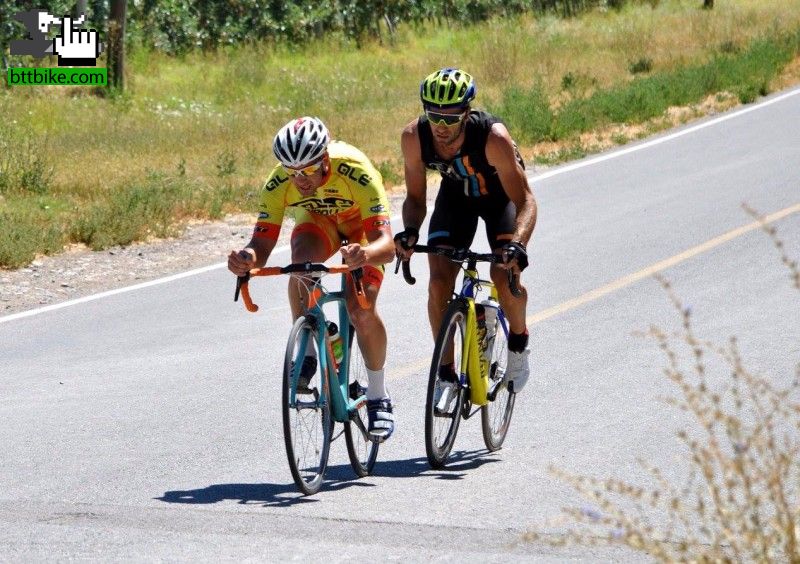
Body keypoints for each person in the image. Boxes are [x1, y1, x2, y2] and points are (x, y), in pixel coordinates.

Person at [228, 116, 396, 442]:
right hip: (320, 224)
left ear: (325, 159)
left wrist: (365, 254)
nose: (300, 179)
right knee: (302, 264)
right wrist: (247, 258)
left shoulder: (355, 170)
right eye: (292, 172)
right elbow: (262, 243)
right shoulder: (279, 182)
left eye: (307, 170)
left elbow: (386, 245)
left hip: (363, 231)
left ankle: (378, 395)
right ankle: (308, 348)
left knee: (360, 309)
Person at [394, 67, 537, 397]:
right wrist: (410, 231)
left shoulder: (493, 138)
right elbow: (415, 199)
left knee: (504, 277)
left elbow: (526, 200)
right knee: (438, 282)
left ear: (467, 112)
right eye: (434, 116)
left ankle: (518, 344)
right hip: (456, 198)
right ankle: (445, 374)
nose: (441, 127)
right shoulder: (414, 137)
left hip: (501, 200)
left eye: (451, 118)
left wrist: (518, 243)